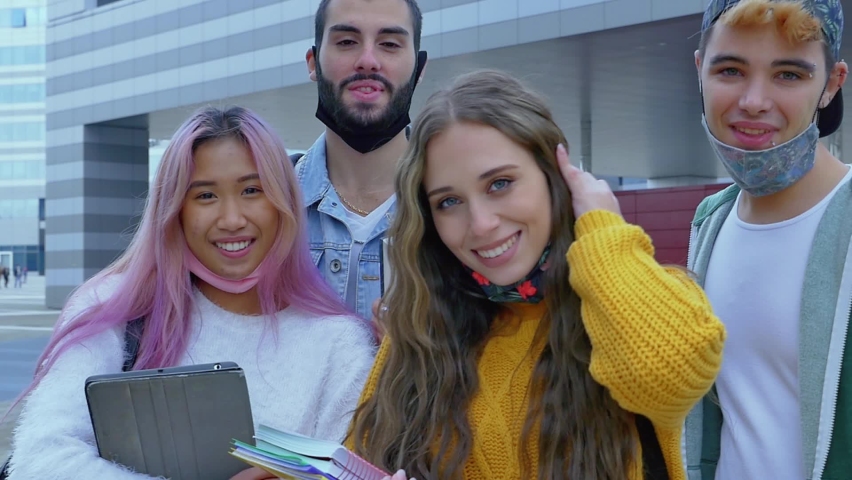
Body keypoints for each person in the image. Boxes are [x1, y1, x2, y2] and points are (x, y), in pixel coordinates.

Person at [346, 70, 726, 480]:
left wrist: (603, 228)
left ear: (555, 174)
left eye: (500, 184)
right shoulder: (418, 331)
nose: (480, 223)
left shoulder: (639, 293)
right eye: (448, 201)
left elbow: (667, 377)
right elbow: (362, 462)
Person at [4, 107, 376, 479]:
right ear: (175, 210)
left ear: (285, 202)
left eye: (252, 190)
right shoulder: (116, 308)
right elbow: (39, 460)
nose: (231, 219)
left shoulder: (340, 345)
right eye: (205, 196)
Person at [684, 1, 852, 479]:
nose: (754, 100)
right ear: (700, 71)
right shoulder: (710, 222)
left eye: (789, 75)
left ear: (831, 84)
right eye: (731, 70)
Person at [297, 0, 427, 319]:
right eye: (346, 42)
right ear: (313, 63)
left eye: (389, 44)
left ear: (420, 69)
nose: (368, 61)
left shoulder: (460, 214)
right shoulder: (267, 204)